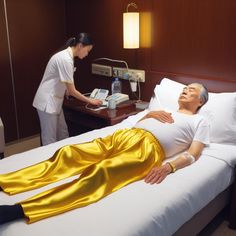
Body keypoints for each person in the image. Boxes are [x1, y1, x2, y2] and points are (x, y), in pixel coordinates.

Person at [0, 83, 209, 225]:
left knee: (100, 172)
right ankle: (7, 181)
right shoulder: (161, 110)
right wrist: (149, 114)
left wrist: (169, 166)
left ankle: (18, 210)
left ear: (200, 101)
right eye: (184, 88)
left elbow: (194, 153)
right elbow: (136, 124)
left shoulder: (200, 121)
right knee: (69, 152)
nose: (184, 91)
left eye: (191, 91)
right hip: (125, 136)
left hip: (147, 151)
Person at [33, 33, 102, 146]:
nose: (87, 54)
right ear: (80, 46)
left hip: (55, 101)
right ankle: (48, 162)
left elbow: (63, 81)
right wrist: (91, 100)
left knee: (63, 134)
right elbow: (72, 91)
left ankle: (64, 159)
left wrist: (65, 90)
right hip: (47, 102)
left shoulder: (69, 57)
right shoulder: (65, 59)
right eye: (87, 50)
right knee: (49, 140)